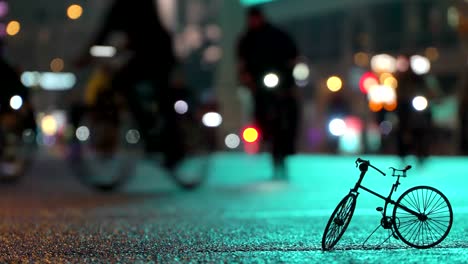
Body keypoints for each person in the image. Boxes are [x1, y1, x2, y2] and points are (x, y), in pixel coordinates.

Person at [76, 0, 183, 170]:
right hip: (143, 53)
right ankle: (148, 130)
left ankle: (173, 146)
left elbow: (108, 33)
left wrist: (85, 57)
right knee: (122, 84)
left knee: (161, 96)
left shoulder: (131, 5)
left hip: (158, 52)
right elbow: (104, 34)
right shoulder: (120, 7)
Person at [236, 7, 300, 179]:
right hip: (260, 88)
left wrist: (288, 73)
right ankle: (266, 141)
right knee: (260, 116)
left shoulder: (277, 35)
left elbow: (293, 55)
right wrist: (247, 79)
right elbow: (242, 65)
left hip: (281, 85)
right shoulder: (246, 40)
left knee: (289, 113)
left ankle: (287, 147)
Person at [395, 56, 432, 163]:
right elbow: (399, 93)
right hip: (405, 105)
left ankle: (423, 150)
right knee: (402, 123)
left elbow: (429, 89)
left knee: (426, 119)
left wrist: (433, 97)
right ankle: (402, 151)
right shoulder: (401, 78)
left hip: (418, 105)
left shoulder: (419, 78)